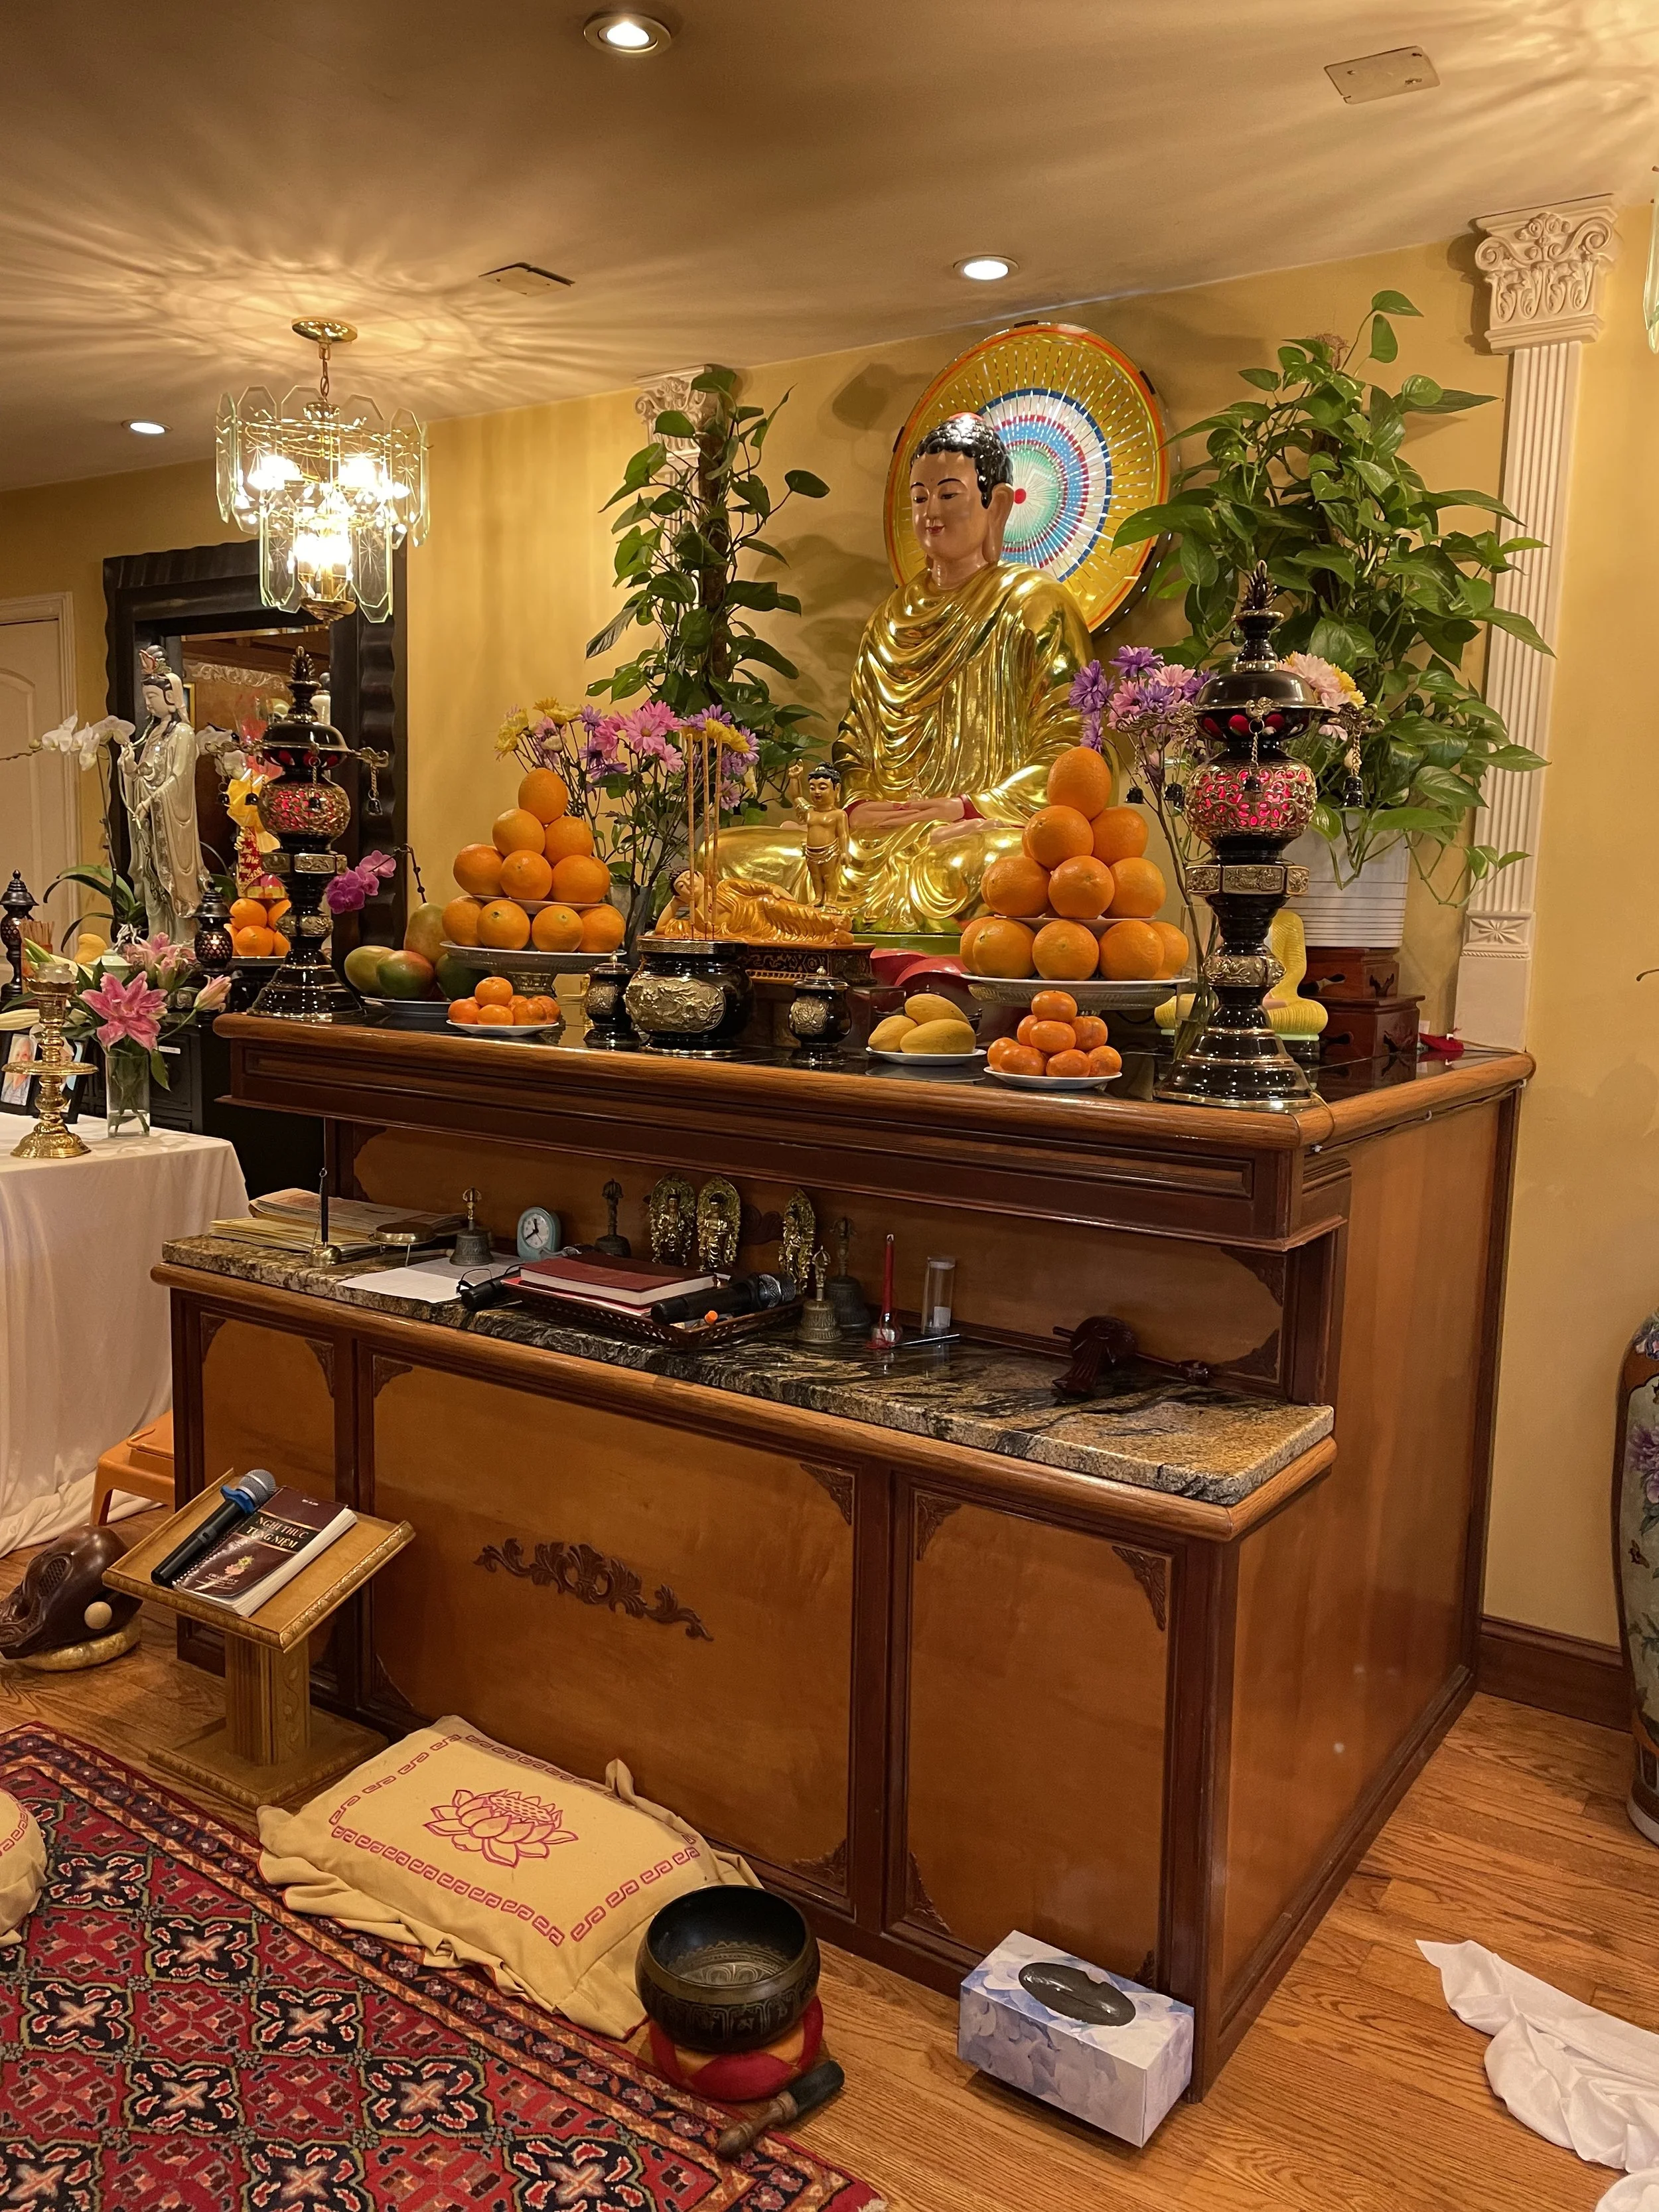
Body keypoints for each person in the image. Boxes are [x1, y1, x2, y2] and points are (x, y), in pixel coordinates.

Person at [720, 413, 1099, 936]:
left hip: (971, 832)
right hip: (874, 841)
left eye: (948, 495)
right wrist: (853, 805)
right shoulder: (890, 617)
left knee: (992, 865)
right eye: (920, 499)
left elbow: (1073, 750)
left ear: (998, 504)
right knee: (720, 854)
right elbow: (855, 741)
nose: (930, 514)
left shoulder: (1036, 604)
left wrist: (966, 806)